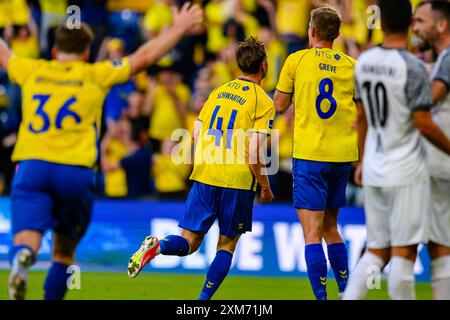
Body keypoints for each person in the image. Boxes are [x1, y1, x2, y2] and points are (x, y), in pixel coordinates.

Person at [0, 2, 203, 300]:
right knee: (64, 253)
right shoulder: (96, 73)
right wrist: (180, 27)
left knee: (26, 238)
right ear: (86, 52)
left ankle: (23, 257)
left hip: (33, 166)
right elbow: (145, 56)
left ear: (54, 51)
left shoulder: (32, 69)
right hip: (75, 170)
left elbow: (4, 53)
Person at [127, 37, 275, 300]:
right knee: (226, 245)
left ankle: (159, 246)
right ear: (264, 66)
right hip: (237, 180)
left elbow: (196, 134)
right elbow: (254, 151)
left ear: (238, 64)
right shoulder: (263, 101)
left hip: (205, 174)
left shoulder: (217, 92)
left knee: (189, 241)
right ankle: (202, 301)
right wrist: (264, 187)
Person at [344, 0, 450, 300]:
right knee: (403, 255)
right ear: (408, 24)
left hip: (374, 167)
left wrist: (361, 161)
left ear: (380, 22)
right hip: (405, 171)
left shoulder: (363, 61)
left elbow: (361, 116)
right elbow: (424, 124)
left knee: (376, 251)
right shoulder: (412, 67)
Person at [274, 6, 358, 300]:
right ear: (336, 34)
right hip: (342, 157)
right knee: (332, 228)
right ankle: (347, 291)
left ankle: (321, 298)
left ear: (311, 31)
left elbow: (279, 105)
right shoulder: (351, 65)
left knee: (312, 233)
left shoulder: (297, 60)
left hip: (310, 156)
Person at [413, 0, 450, 300]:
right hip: (438, 165)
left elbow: (428, 103)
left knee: (394, 246)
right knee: (440, 244)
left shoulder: (448, 59)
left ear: (441, 25)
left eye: (421, 21)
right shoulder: (440, 60)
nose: (416, 27)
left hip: (438, 162)